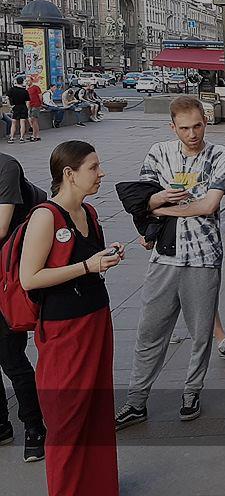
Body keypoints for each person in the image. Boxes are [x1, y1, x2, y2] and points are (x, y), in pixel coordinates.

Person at [115, 96, 225, 429]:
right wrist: (157, 199)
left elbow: (208, 206)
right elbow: (140, 199)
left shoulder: (220, 155)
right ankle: (136, 401)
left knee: (201, 334)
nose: (192, 134)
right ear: (172, 127)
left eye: (197, 126)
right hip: (164, 255)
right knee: (149, 332)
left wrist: (160, 208)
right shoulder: (158, 152)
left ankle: (191, 393)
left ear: (206, 123)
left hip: (203, 255)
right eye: (184, 128)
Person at [20, 140, 124, 495]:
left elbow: (86, 260)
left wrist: (105, 257)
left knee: (96, 408)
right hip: (64, 328)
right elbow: (29, 278)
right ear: (69, 173)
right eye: (93, 167)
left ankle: (98, 485)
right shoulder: (45, 216)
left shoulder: (89, 212)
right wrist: (87, 266)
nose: (101, 173)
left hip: (96, 318)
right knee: (67, 415)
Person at [0, 151, 47, 462]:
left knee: (10, 356)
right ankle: (1, 425)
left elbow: (1, 226)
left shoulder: (6, 167)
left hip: (7, 276)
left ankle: (34, 426)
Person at [5, 77, 30, 143]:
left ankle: (12, 138)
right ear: (22, 82)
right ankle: (21, 138)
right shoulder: (25, 91)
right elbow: (28, 101)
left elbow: (7, 98)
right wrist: (27, 109)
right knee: (22, 123)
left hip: (15, 107)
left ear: (16, 81)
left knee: (13, 123)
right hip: (23, 107)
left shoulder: (12, 89)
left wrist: (10, 106)